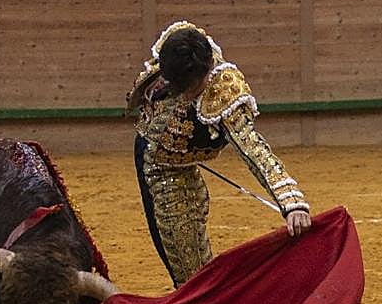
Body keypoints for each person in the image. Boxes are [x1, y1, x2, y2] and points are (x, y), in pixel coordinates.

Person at [128, 21, 312, 288]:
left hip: (171, 174)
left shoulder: (223, 93)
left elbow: (255, 150)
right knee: (181, 260)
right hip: (154, 157)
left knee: (190, 273)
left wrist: (292, 202)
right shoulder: (179, 45)